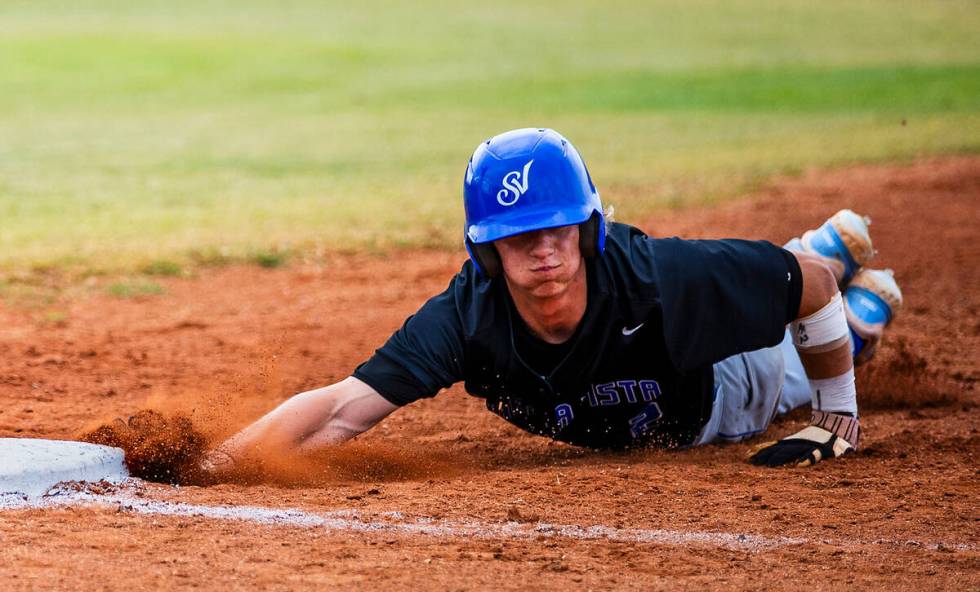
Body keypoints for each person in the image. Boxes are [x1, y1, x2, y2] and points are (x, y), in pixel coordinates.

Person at [201, 128, 903, 477]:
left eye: (557, 230)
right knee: (801, 285)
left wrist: (838, 413)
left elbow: (804, 287)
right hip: (672, 389)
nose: (544, 252)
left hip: (722, 387)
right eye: (518, 238)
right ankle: (841, 265)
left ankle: (859, 312)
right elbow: (340, 409)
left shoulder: (650, 274)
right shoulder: (467, 316)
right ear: (485, 250)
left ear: (587, 227)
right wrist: (216, 468)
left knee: (800, 320)